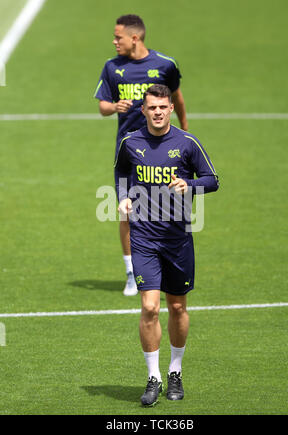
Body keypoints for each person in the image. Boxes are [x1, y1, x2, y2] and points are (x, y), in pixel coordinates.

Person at [114, 84, 219, 407]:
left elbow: (212, 179)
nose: (157, 112)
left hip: (177, 239)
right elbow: (120, 171)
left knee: (176, 307)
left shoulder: (187, 143)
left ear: (170, 109)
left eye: (163, 107)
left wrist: (190, 183)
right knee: (148, 307)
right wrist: (122, 198)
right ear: (143, 110)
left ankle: (175, 371)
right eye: (151, 107)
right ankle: (153, 377)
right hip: (144, 237)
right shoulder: (130, 142)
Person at [94, 14, 188, 296]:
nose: (114, 41)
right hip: (130, 151)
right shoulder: (112, 67)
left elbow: (178, 99)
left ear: (135, 38)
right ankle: (132, 272)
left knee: (170, 204)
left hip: (165, 148)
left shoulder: (165, 64)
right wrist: (114, 107)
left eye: (118, 37)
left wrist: (185, 133)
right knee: (127, 209)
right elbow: (102, 107)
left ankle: (169, 266)